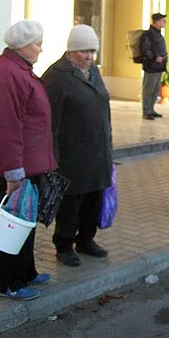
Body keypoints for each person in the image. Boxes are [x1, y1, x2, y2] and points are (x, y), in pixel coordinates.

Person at [0, 20, 57, 301]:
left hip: (30, 164)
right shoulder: (7, 74)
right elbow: (5, 127)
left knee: (25, 223)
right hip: (18, 168)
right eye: (37, 43)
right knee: (11, 226)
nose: (41, 49)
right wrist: (13, 172)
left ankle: (26, 272)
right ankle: (7, 283)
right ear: (23, 45)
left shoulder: (19, 69)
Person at [42, 25, 113, 267]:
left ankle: (86, 240)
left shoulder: (92, 71)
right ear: (71, 50)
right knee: (71, 203)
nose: (90, 57)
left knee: (93, 198)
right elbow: (48, 122)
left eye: (93, 51)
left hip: (97, 151)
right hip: (71, 154)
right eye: (84, 51)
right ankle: (64, 244)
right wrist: (50, 157)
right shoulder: (56, 76)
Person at [141, 13, 168, 120]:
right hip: (151, 66)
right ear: (156, 22)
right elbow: (145, 49)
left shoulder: (158, 34)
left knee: (155, 90)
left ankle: (151, 109)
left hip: (158, 67)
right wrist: (154, 57)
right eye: (163, 20)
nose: (164, 23)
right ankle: (146, 111)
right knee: (148, 89)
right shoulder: (148, 34)